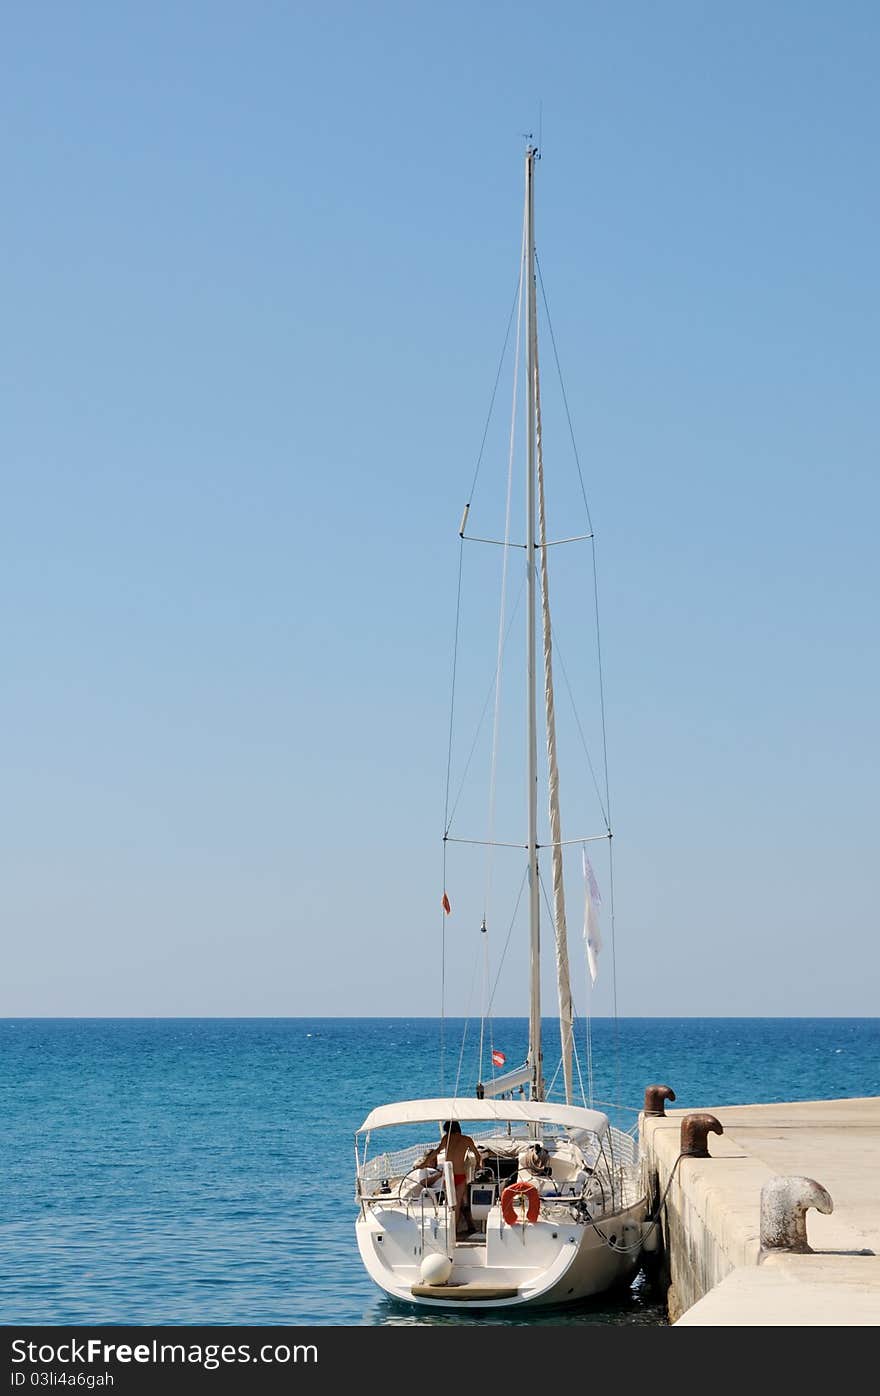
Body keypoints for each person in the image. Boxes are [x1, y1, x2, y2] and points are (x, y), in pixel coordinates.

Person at [437, 1120, 483, 1237]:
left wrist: (424, 1163)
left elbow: (436, 1152)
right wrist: (478, 1166)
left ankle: (453, 1231)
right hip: (460, 1175)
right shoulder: (466, 1139)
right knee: (457, 1205)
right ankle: (456, 1231)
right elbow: (478, 1156)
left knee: (450, 1204)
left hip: (448, 1175)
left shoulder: (446, 1139)